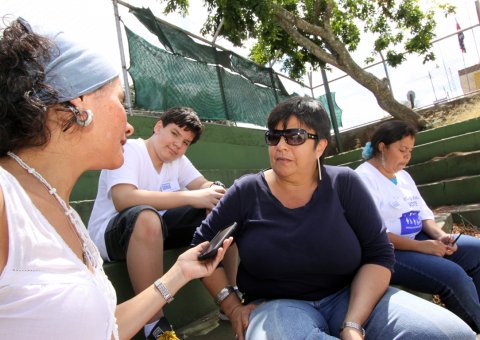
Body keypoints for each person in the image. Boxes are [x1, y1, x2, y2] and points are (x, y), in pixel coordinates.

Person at [0, 17, 232, 340]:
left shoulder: (63, 212)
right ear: (77, 105)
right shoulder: (4, 199)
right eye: (120, 100)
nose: (129, 125)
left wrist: (179, 273)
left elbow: (104, 327)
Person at [191, 96, 477, 340]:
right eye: (274, 136)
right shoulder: (247, 191)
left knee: (450, 334)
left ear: (320, 146)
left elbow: (379, 255)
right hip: (277, 307)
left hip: (352, 295)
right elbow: (202, 246)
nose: (281, 146)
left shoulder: (345, 183)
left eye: (295, 137)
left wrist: (352, 324)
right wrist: (230, 305)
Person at [87, 106, 238, 337]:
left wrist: (216, 190)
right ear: (158, 127)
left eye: (186, 142)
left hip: (157, 230)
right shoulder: (131, 150)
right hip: (112, 234)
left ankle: (233, 297)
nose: (178, 144)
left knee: (220, 209)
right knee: (147, 217)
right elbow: (123, 198)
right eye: (175, 133)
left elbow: (202, 185)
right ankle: (155, 325)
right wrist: (192, 196)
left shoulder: (177, 159)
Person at [355, 119, 480, 333]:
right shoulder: (362, 179)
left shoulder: (403, 176)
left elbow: (423, 214)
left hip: (420, 238)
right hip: (389, 252)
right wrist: (424, 247)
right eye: (402, 149)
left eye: (410, 151)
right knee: (452, 275)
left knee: (476, 251)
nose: (407, 156)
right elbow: (374, 234)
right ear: (382, 147)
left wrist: (440, 236)